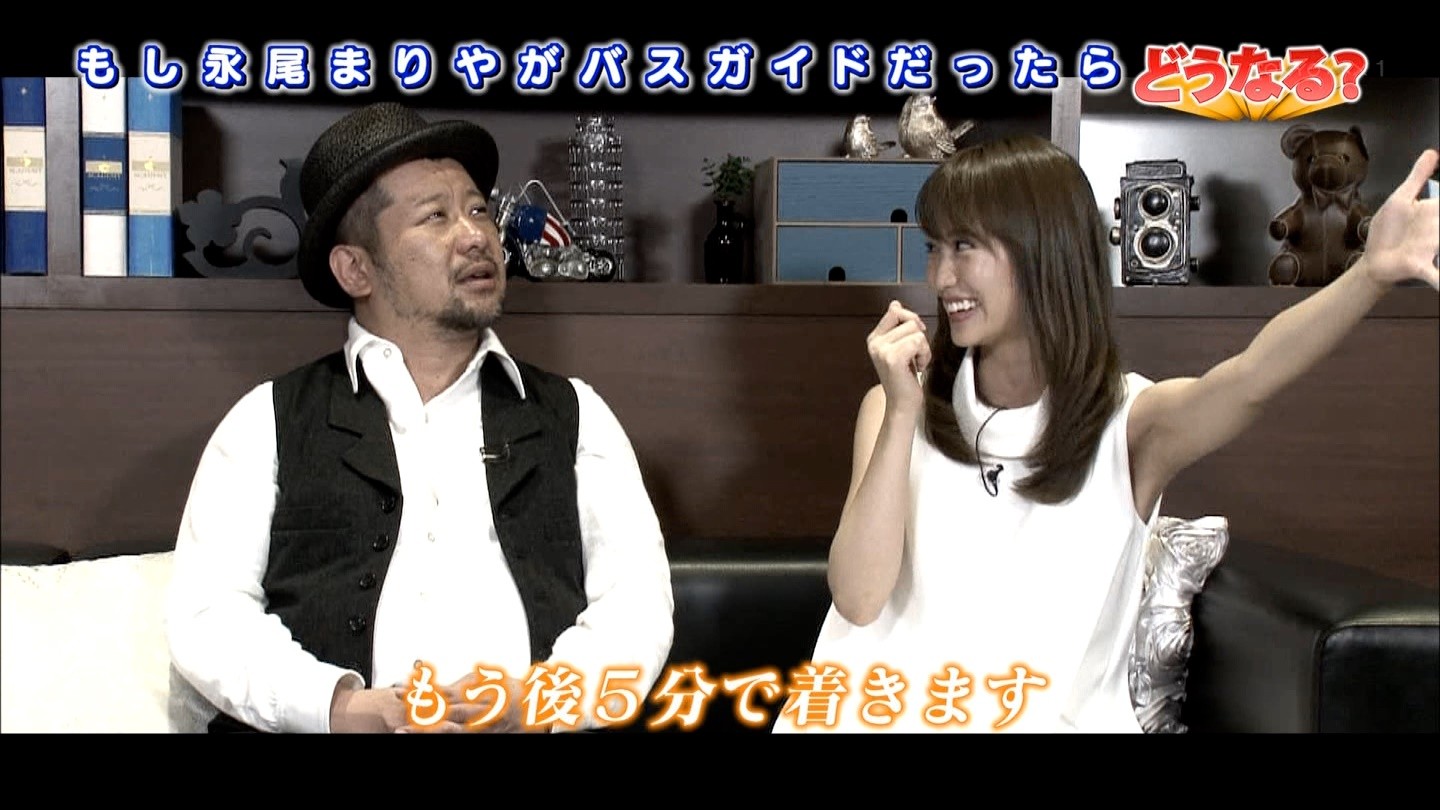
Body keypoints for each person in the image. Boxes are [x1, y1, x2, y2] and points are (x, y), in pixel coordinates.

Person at [776, 135, 1439, 733]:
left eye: (965, 246)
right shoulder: (894, 406)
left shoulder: (1130, 422)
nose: (941, 277)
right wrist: (901, 413)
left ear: (1042, 249)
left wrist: (1370, 275)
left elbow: (1250, 378)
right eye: (934, 248)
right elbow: (858, 599)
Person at [167, 102, 675, 733]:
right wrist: (341, 709)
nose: (476, 236)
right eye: (436, 216)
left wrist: (534, 702)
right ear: (355, 269)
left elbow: (637, 608)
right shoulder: (264, 422)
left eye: (478, 210)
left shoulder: (577, 416)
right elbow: (209, 617)